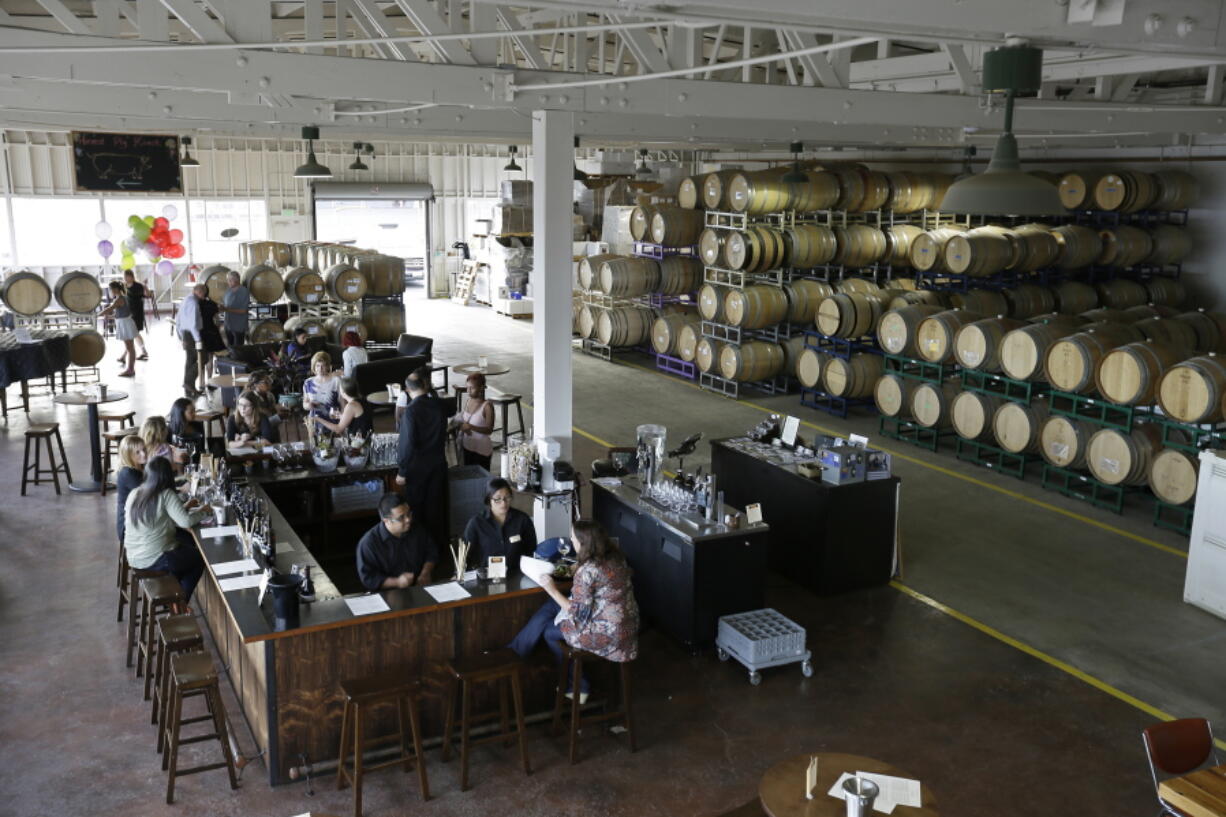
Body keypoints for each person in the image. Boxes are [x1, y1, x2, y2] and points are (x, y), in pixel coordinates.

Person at [509, 520, 640, 700]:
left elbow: (578, 613)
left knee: (549, 632)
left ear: (583, 543)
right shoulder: (616, 558)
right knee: (551, 606)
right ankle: (517, 649)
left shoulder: (588, 571)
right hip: (628, 625)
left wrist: (552, 589)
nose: (571, 541)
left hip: (607, 635)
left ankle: (577, 686)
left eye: (573, 538)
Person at [124, 456, 208, 605]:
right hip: (155, 559)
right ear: (168, 475)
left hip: (134, 558)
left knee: (183, 552)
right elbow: (185, 522)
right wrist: (205, 511)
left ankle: (174, 592)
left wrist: (185, 507)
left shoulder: (135, 493)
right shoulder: (166, 494)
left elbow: (159, 518)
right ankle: (180, 601)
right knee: (199, 558)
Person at [396, 366, 450, 550]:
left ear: (407, 390)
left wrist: (402, 471)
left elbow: (407, 444)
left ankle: (421, 550)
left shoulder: (411, 411)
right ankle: (439, 549)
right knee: (436, 509)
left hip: (418, 470)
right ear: (424, 386)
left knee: (417, 511)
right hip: (438, 465)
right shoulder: (438, 405)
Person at [355, 494, 438, 591]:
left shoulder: (416, 528)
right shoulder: (369, 544)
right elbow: (368, 578)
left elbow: (431, 552)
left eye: (409, 514)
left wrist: (425, 573)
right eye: (401, 518)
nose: (408, 520)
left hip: (419, 587)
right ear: (386, 521)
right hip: (388, 593)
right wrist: (397, 582)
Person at [461, 478, 536, 570]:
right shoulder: (476, 523)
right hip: (486, 577)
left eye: (507, 497)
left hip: (516, 575)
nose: (503, 503)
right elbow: (464, 556)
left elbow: (531, 551)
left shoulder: (523, 520)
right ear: (489, 500)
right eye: (497, 499)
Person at [98, 281, 138, 377]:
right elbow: (119, 313)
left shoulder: (119, 299)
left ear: (115, 289)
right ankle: (130, 368)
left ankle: (130, 369)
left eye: (111, 289)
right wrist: (111, 316)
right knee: (130, 347)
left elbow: (110, 308)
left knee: (130, 348)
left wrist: (97, 315)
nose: (110, 291)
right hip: (124, 322)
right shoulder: (122, 297)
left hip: (125, 324)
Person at [455, 372, 494, 470]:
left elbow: (489, 430)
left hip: (481, 451)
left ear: (481, 388)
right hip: (467, 447)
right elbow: (465, 420)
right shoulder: (469, 401)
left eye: (471, 388)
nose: (468, 391)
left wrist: (471, 427)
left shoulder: (487, 406)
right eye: (467, 387)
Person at [115, 434, 147, 547]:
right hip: (127, 527)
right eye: (137, 452)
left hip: (137, 517)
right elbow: (149, 495)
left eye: (143, 449)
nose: (143, 454)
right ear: (128, 455)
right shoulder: (128, 473)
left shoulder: (138, 468)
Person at [178, 284, 206, 397]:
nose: (204, 296)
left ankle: (189, 389)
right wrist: (198, 340)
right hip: (192, 335)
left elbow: (178, 319)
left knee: (190, 361)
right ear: (199, 292)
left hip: (186, 334)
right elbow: (193, 324)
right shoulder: (193, 303)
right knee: (203, 358)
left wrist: (180, 335)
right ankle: (188, 383)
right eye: (203, 293)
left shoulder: (186, 299)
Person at [198, 291, 226, 391]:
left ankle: (201, 383)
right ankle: (209, 381)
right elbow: (217, 320)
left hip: (200, 333)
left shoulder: (197, 303)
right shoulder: (212, 304)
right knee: (210, 358)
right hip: (211, 333)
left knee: (201, 359)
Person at [302, 351, 340, 420]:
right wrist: (308, 405)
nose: (320, 369)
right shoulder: (308, 383)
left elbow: (342, 403)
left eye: (323, 365)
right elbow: (304, 404)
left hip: (332, 420)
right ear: (314, 366)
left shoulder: (336, 381)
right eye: (317, 366)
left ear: (328, 366)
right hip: (314, 420)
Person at [122, 269, 149, 360]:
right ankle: (143, 351)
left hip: (136, 312)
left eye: (127, 276)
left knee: (133, 333)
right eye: (124, 276)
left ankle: (125, 355)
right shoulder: (124, 286)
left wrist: (145, 286)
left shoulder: (138, 286)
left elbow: (147, 295)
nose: (125, 278)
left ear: (132, 276)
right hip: (127, 313)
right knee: (133, 333)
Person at [221, 270, 250, 351]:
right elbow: (225, 305)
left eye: (230, 280)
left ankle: (237, 363)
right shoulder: (228, 291)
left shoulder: (244, 291)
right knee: (230, 348)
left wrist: (226, 309)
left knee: (238, 349)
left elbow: (243, 311)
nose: (228, 282)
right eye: (228, 280)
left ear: (237, 280)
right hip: (228, 325)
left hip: (239, 326)